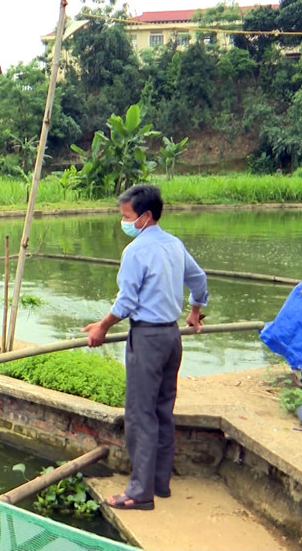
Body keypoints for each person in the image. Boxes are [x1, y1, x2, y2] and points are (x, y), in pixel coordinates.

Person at [82, 184, 208, 511]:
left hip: (149, 339)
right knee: (163, 412)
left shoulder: (136, 251)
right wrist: (194, 312)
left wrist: (101, 327)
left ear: (145, 216)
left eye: (126, 216)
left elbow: (126, 301)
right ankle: (159, 483)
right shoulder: (175, 245)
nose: (123, 222)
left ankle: (139, 493)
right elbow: (199, 279)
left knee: (140, 415)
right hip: (171, 338)